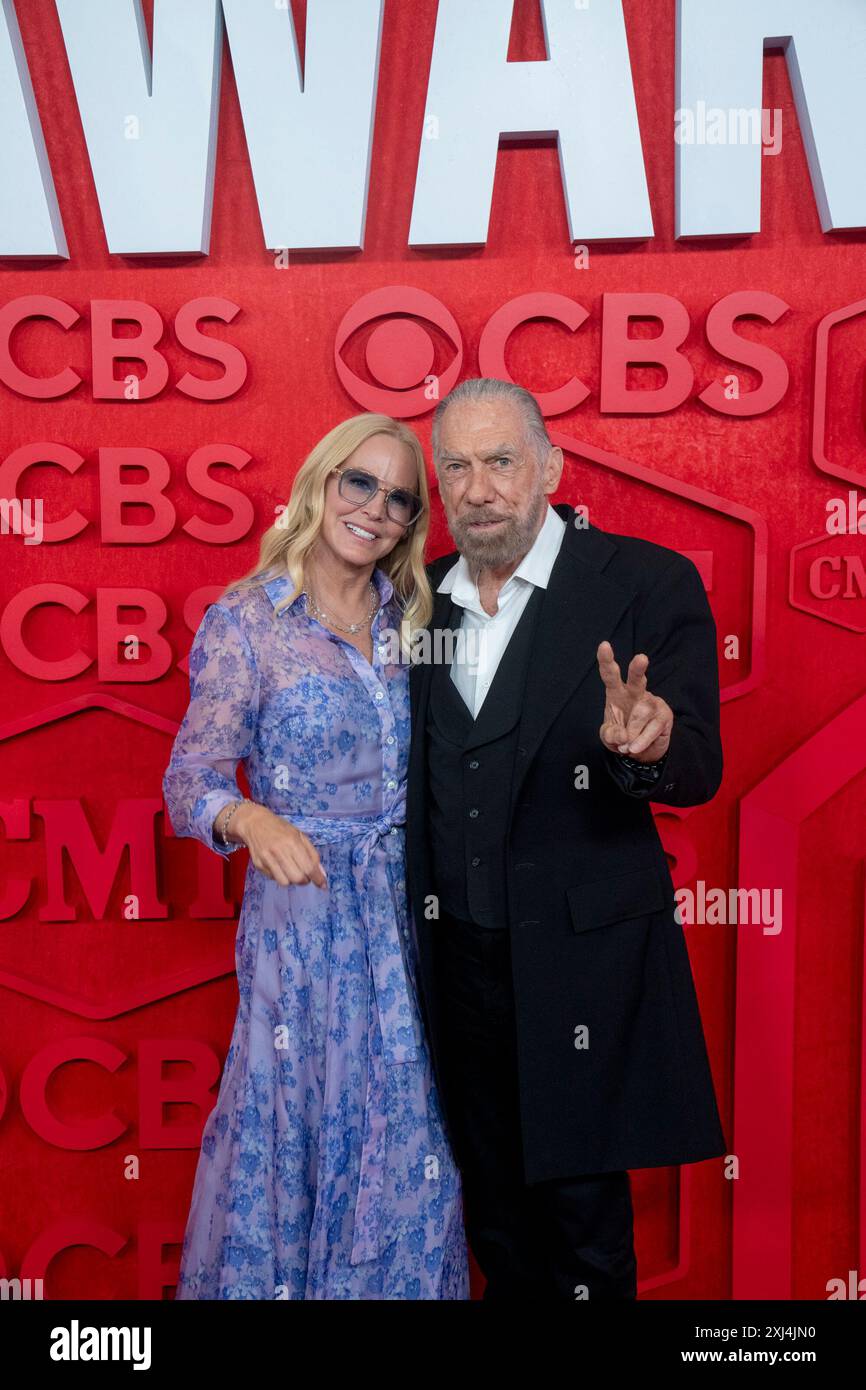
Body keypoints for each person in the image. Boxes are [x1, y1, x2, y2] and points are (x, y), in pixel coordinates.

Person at [404, 377, 728, 1300]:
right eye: (456, 466)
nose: (479, 489)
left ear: (550, 467)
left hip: (582, 967)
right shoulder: (419, 601)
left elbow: (697, 765)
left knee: (585, 1229)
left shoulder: (643, 582)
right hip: (453, 964)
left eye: (502, 461)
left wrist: (649, 742)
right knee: (494, 1222)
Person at [163, 412, 469, 1300]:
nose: (377, 507)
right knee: (293, 1127)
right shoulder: (247, 620)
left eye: (401, 497)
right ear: (321, 483)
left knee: (408, 1142)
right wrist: (250, 820)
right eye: (360, 482)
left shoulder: (417, 621)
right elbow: (190, 777)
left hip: (409, 925)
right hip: (299, 929)